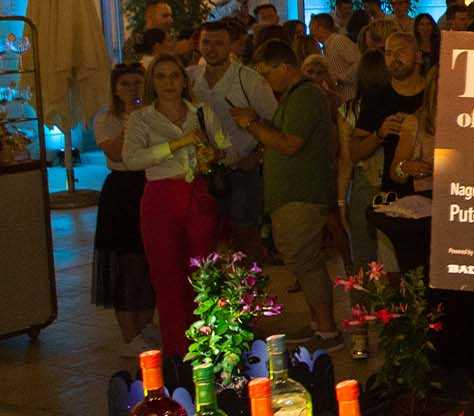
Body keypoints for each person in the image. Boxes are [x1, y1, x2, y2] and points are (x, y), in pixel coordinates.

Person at [231, 40, 342, 350]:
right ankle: (318, 323)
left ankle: (327, 330)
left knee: (306, 262)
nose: (266, 82)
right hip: (294, 194)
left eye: (267, 74)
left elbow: (289, 144)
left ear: (283, 67)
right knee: (303, 261)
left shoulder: (305, 96)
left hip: (301, 195)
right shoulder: (296, 96)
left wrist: (252, 124)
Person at [122, 54, 230, 358]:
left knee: (203, 275)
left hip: (197, 193)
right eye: (161, 76)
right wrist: (175, 145)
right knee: (167, 277)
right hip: (161, 197)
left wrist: (213, 155)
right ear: (152, 82)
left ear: (184, 80)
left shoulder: (201, 111)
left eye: (174, 76)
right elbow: (131, 159)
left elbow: (224, 147)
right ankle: (177, 352)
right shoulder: (142, 119)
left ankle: (208, 347)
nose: (168, 83)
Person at [187, 20, 276, 265]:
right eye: (206, 42)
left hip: (241, 168)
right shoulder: (190, 78)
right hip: (201, 171)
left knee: (245, 235)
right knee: (206, 235)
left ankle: (251, 284)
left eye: (219, 43)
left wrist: (257, 155)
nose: (211, 49)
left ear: (231, 46)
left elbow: (274, 120)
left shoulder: (248, 79)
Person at [92, 63, 157, 357]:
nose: (132, 89)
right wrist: (131, 118)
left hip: (149, 184)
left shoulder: (154, 114)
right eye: (125, 84)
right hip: (121, 191)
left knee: (148, 262)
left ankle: (145, 326)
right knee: (126, 264)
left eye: (137, 83)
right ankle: (129, 335)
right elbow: (117, 153)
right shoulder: (106, 119)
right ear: (115, 89)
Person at [351, 32, 426, 196]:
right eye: (389, 53)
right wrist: (379, 134)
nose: (394, 58)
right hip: (393, 193)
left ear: (418, 56)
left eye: (401, 52)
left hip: (431, 190)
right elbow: (355, 152)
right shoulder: (376, 96)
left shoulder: (433, 93)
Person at [340, 51, 389, 269]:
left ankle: (365, 291)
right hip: (393, 181)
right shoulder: (401, 106)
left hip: (363, 184)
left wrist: (341, 201)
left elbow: (346, 160)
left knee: (365, 258)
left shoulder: (349, 110)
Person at [391, 71, 438, 193]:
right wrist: (405, 167)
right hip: (427, 197)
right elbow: (395, 173)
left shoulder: (470, 120)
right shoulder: (416, 122)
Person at [310, 13, 360, 103]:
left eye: (311, 27)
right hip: (340, 99)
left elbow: (358, 63)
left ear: (320, 28)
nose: (310, 31)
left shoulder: (338, 41)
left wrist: (340, 78)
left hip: (350, 97)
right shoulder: (326, 47)